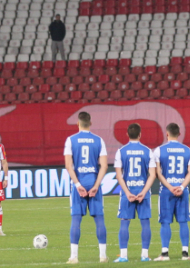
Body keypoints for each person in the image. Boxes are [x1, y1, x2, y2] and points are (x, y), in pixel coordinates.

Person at [64, 111, 109, 264]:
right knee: (99, 219)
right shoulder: (99, 140)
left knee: (76, 219)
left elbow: (68, 165)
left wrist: (77, 185)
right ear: (90, 123)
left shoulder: (71, 140)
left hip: (79, 182)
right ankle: (103, 256)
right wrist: (96, 185)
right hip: (93, 181)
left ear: (78, 123)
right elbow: (103, 166)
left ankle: (74, 257)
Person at [152, 123, 190, 262]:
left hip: (166, 191)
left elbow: (157, 172)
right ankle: (185, 254)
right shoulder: (188, 150)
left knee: (165, 222)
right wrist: (181, 187)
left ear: (167, 133)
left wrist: (170, 187)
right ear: (179, 134)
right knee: (183, 222)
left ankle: (165, 254)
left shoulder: (159, 150)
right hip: (182, 191)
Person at [113, 123, 157, 263]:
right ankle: (145, 255)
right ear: (140, 134)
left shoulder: (121, 151)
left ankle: (123, 256)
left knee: (124, 222)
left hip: (128, 192)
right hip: (143, 193)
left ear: (127, 134)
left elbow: (119, 176)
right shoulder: (148, 151)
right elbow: (152, 175)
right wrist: (144, 192)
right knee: (145, 223)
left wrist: (127, 192)